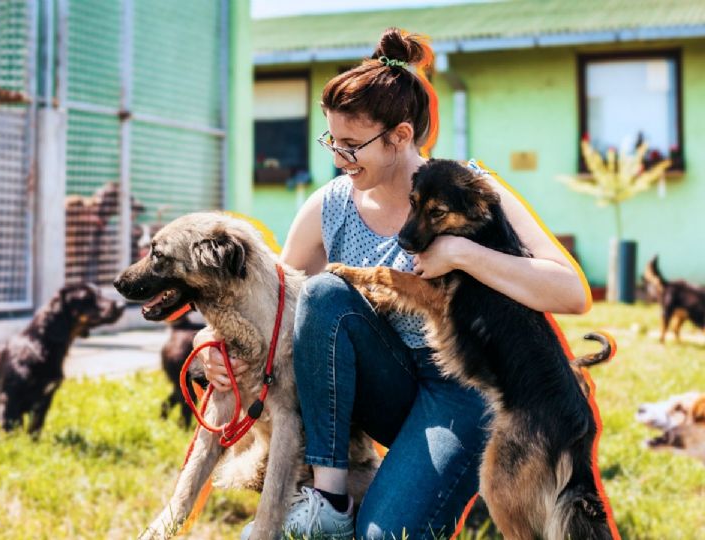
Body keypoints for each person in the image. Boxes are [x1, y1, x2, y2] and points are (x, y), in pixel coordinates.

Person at [197, 27, 588, 540]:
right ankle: (329, 497)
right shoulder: (330, 204)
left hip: (463, 391)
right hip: (381, 382)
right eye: (331, 140)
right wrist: (210, 343)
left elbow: (570, 292)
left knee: (385, 536)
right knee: (322, 292)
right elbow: (271, 305)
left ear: (401, 136)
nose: (338, 156)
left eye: (353, 144)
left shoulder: (469, 189)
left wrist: (463, 253)